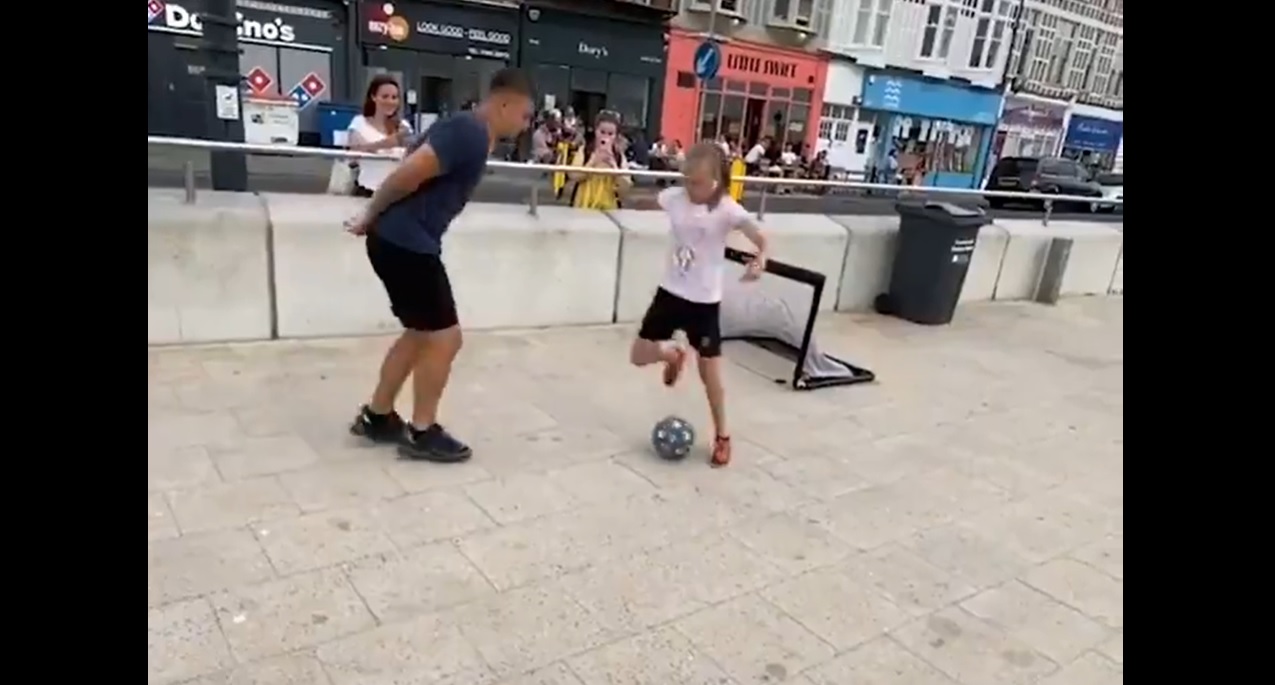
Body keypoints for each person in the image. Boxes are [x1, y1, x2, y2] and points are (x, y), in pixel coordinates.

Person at [345, 68, 534, 462]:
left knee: (420, 332)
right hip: (405, 243)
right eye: (525, 115)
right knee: (446, 338)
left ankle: (378, 416)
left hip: (401, 240)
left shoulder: (475, 134)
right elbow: (407, 175)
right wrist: (369, 213)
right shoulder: (468, 131)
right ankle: (422, 430)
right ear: (504, 103)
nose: (526, 125)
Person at [629, 142, 770, 468]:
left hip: (704, 302)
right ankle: (672, 355)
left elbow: (761, 239)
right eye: (686, 180)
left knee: (711, 377)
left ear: (715, 182)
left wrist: (759, 261)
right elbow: (649, 200)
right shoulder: (676, 198)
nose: (688, 187)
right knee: (638, 356)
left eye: (696, 182)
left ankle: (722, 436)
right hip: (670, 292)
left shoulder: (727, 210)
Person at [345, 76, 413, 198]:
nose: (390, 102)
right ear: (373, 97)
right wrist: (385, 144)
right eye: (385, 97)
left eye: (394, 97)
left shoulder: (403, 126)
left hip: (397, 194)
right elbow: (353, 154)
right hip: (367, 192)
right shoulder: (359, 123)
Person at [566, 111, 631, 210]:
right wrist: (592, 161)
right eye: (602, 132)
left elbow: (626, 187)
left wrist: (615, 168)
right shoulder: (585, 150)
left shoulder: (619, 156)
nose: (605, 137)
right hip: (583, 204)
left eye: (610, 134)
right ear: (596, 131)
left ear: (616, 136)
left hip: (609, 207)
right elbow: (573, 175)